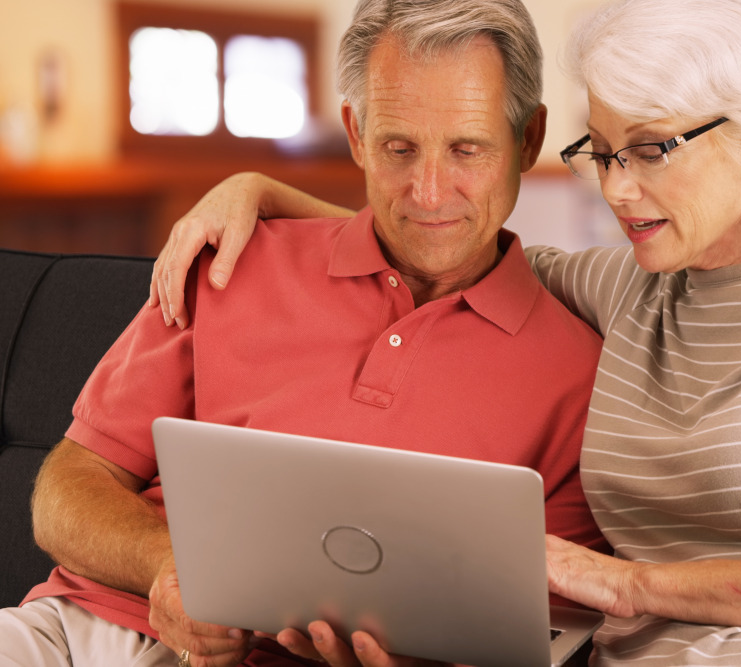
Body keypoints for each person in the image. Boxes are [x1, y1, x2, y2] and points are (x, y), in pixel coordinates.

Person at [148, 0, 741, 665]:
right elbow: (443, 226)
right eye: (605, 151)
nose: (618, 191)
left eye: (652, 151)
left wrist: (633, 585)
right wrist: (260, 188)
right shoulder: (629, 284)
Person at [0, 1, 610, 666]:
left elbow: (534, 631)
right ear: (355, 132)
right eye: (398, 148)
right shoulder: (233, 257)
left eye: (467, 149)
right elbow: (66, 489)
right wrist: (171, 568)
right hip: (85, 627)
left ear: (527, 140)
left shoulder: (578, 379)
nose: (429, 192)